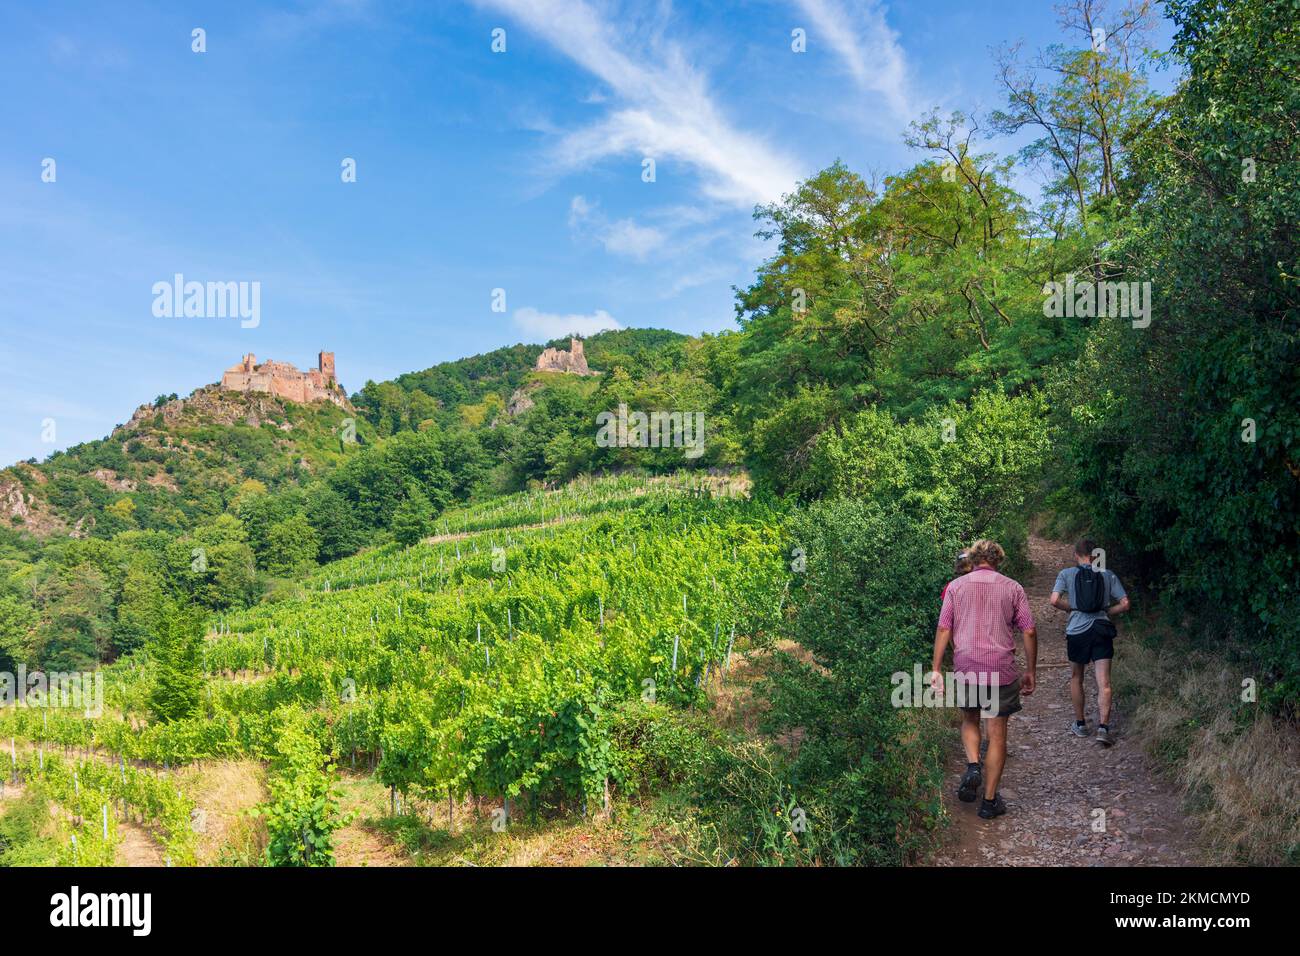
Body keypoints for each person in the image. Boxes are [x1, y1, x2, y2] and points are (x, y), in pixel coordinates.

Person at [931, 539, 1037, 820]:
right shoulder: (1013, 587)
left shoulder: (955, 587)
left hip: (967, 666)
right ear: (998, 560)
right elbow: (1028, 631)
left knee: (969, 718)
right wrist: (1031, 671)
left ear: (975, 559)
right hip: (1000, 669)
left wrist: (937, 668)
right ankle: (989, 802)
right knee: (997, 734)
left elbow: (944, 628)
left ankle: (973, 765)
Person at [1050, 539, 1130, 747]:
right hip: (1101, 630)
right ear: (1095, 556)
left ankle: (1081, 724)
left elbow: (1054, 600)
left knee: (1077, 677)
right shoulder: (1107, 574)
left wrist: (1072, 609)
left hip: (1077, 632)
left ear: (1076, 554)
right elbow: (1125, 603)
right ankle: (1103, 728)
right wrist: (1106, 612)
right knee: (1104, 682)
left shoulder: (1067, 574)